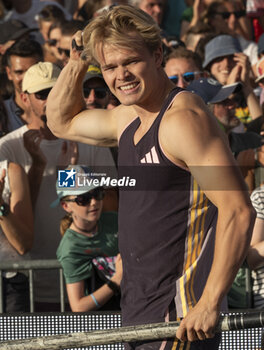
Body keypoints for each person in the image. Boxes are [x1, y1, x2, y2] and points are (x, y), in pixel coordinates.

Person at [46, 5, 255, 349]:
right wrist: (80, 59)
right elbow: (60, 122)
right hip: (141, 312)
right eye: (110, 67)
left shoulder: (183, 119)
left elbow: (238, 210)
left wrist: (209, 302)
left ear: (157, 55)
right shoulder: (127, 118)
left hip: (181, 316)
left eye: (130, 62)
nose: (121, 75)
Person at [0, 61, 117, 311]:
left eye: (56, 90)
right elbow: (23, 224)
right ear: (24, 98)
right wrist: (45, 169)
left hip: (88, 284)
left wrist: (69, 176)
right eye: (42, 94)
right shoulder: (8, 147)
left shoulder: (90, 138)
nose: (50, 99)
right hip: (28, 287)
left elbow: (110, 211)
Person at [53, 165, 122, 312]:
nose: (94, 202)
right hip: (101, 323)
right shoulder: (70, 247)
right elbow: (78, 306)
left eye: (97, 193)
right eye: (83, 199)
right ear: (66, 206)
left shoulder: (114, 220)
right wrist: (117, 280)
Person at [0, 160, 34, 312]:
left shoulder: (11, 171)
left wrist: (0, 204)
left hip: (11, 283)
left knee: (16, 337)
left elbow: (24, 244)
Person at [3, 38, 43, 132]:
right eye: (19, 72)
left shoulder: (57, 110)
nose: (26, 78)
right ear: (9, 73)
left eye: (32, 70)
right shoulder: (2, 114)